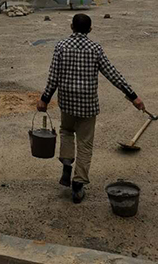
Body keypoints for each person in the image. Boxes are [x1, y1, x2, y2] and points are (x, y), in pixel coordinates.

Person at [36, 13, 144, 204]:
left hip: (67, 102)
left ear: (71, 27)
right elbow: (113, 74)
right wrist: (133, 96)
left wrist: (45, 99)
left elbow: (53, 77)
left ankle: (67, 161)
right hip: (87, 105)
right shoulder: (95, 49)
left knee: (66, 131)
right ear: (90, 30)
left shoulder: (61, 46)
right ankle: (78, 184)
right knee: (85, 144)